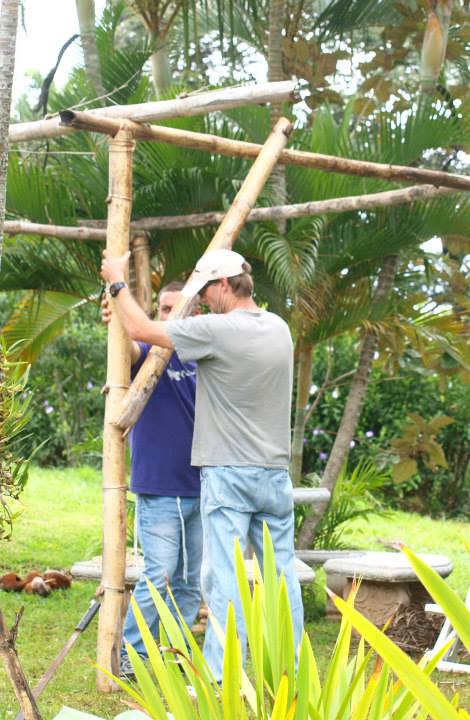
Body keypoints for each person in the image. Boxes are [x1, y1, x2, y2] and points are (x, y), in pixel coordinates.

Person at [100, 248, 303, 679]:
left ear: (225, 285)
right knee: (281, 576)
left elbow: (140, 327)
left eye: (206, 291)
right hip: (274, 474)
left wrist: (118, 282)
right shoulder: (279, 329)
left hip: (229, 473)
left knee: (223, 581)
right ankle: (292, 668)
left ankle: (220, 677)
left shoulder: (217, 331)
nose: (202, 301)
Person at [102, 281, 201, 677]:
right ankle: (133, 654)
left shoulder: (205, 353)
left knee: (190, 582)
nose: (170, 316)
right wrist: (119, 325)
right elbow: (126, 351)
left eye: (179, 309)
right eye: (163, 309)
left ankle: (175, 655)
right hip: (159, 487)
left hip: (204, 487)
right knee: (159, 575)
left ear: (196, 314)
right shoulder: (150, 355)